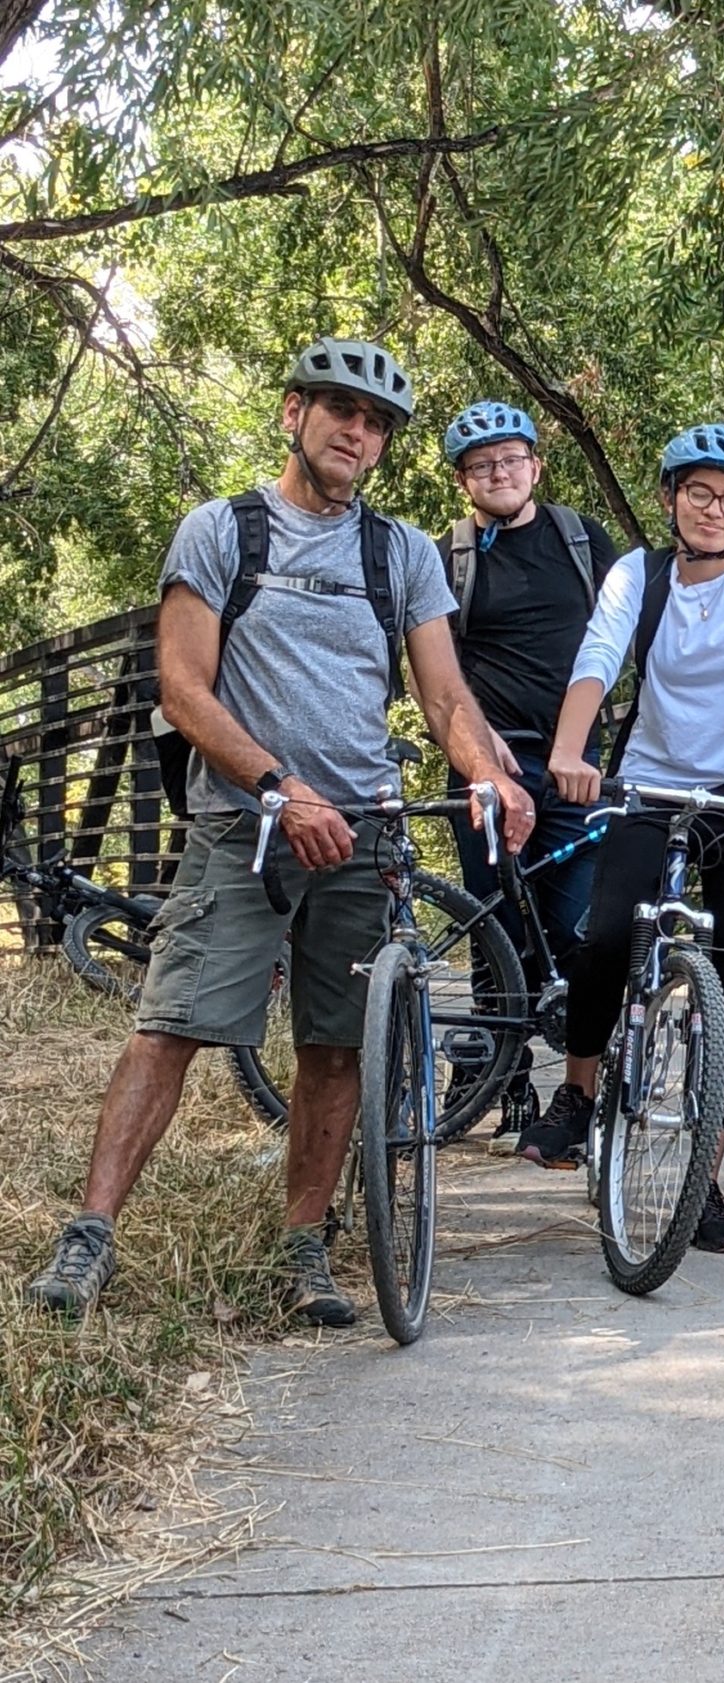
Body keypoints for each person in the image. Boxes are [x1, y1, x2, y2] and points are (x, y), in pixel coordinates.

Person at [24, 339, 533, 1324]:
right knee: (169, 1027)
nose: (359, 431)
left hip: (367, 831)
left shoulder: (402, 553)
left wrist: (489, 776)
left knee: (338, 1049)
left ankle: (308, 1247)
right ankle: (88, 1240)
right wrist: (279, 787)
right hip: (242, 824)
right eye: (341, 410)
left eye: (378, 422)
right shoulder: (222, 532)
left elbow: (445, 698)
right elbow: (182, 688)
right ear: (293, 413)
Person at [526, 424, 724, 1258]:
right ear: (669, 498)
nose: (716, 510)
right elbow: (600, 656)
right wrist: (568, 753)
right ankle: (578, 1094)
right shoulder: (638, 572)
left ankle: (705, 1181)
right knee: (608, 933)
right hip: (651, 775)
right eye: (700, 493)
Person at [436, 399, 622, 1152]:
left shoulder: (583, 541)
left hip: (576, 768)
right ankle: (495, 1076)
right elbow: (435, 672)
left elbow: (628, 636)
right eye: (483, 466)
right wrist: (476, 749)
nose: (499, 473)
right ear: (463, 481)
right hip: (488, 763)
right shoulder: (449, 557)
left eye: (511, 460)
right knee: (494, 929)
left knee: (581, 931)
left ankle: (583, 1093)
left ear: (535, 466)